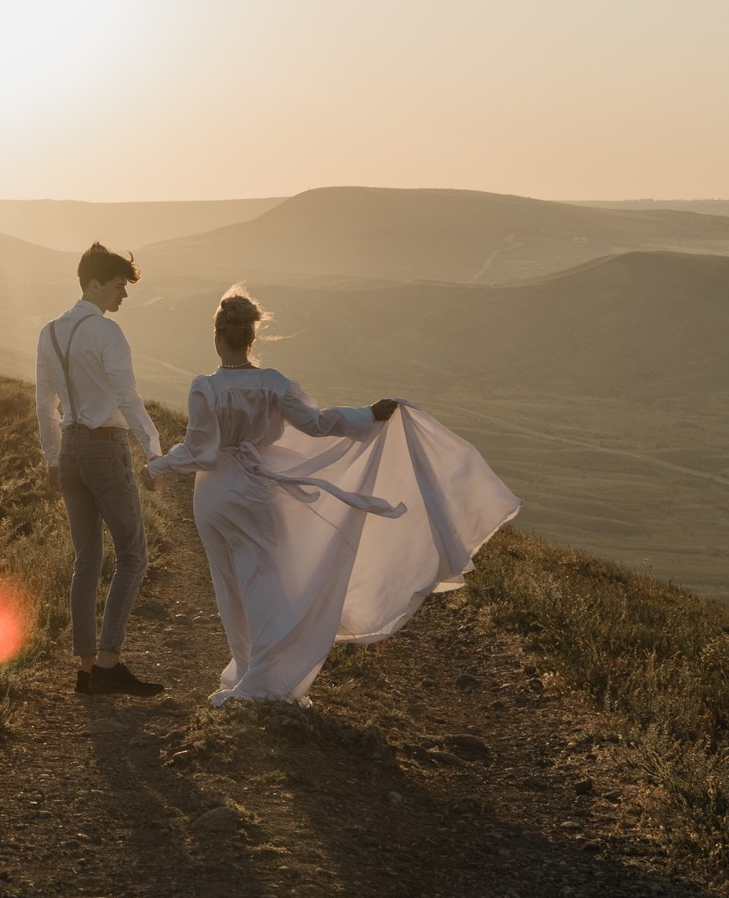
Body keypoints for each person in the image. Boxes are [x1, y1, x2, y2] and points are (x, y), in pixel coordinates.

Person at [146, 288, 520, 705]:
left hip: (214, 494)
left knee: (228, 584)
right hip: (255, 490)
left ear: (216, 337)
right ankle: (263, 677)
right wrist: (366, 416)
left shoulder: (205, 388)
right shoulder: (274, 384)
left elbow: (199, 450)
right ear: (252, 339)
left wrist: (156, 467)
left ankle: (248, 671)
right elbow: (318, 425)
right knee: (265, 582)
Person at [35, 242, 165, 697]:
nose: (123, 296)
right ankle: (109, 662)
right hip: (105, 448)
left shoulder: (49, 331)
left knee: (86, 561)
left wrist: (52, 459)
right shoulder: (108, 334)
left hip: (70, 448)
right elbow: (127, 398)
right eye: (117, 287)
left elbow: (44, 405)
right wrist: (154, 449)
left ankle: (87, 669)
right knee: (132, 555)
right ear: (93, 284)